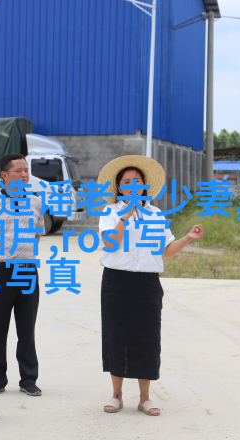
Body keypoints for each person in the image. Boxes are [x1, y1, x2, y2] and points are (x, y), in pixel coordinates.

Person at [97, 155, 204, 416]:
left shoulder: (156, 214)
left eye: (137, 181)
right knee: (116, 337)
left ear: (145, 185)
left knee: (147, 339)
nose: (132, 185)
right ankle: (117, 395)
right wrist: (126, 214)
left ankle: (144, 398)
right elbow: (110, 242)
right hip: (116, 281)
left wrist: (188, 238)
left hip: (147, 283)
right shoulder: (110, 212)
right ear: (119, 187)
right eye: (126, 182)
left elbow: (166, 249)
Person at [0, 154, 45, 397]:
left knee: (27, 329)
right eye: (18, 170)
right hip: (0, 271)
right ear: (4, 175)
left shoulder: (35, 202)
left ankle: (28, 379)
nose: (24, 174)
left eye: (26, 170)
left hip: (27, 271)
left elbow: (37, 234)